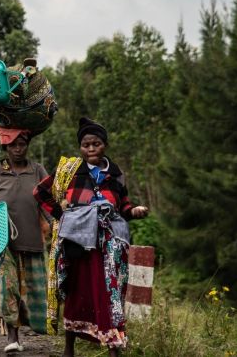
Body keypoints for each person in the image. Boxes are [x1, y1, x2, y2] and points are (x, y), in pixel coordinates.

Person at [34, 118, 150, 356]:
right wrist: (61, 215)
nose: (90, 148)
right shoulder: (69, 170)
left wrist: (134, 212)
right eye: (85, 145)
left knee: (109, 292)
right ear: (80, 147)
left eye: (95, 143)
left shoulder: (116, 173)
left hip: (108, 245)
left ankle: (113, 348)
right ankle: (69, 348)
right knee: (75, 290)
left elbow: (124, 206)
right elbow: (40, 192)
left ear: (104, 145)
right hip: (77, 241)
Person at [0, 128, 50, 352]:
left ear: (27, 145)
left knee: (33, 290)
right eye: (13, 145)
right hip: (4, 243)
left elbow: (49, 202)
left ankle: (34, 327)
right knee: (9, 288)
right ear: (6, 148)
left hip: (33, 241)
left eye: (22, 144)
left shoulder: (37, 170)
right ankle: (12, 337)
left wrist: (57, 223)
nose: (18, 149)